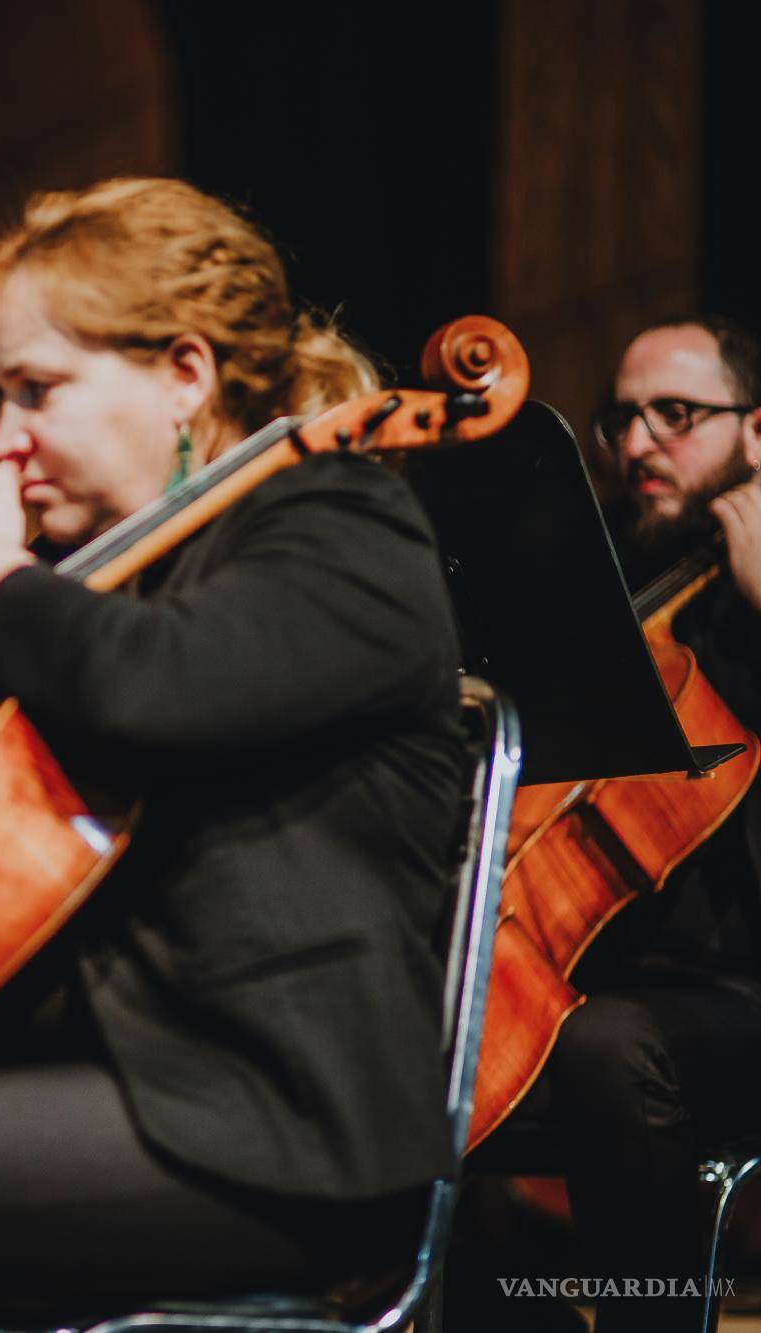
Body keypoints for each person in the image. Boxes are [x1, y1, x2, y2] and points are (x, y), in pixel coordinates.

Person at [0, 177, 466, 1332]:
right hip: (133, 1074)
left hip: (274, 1119)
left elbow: (149, 686)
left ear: (183, 374)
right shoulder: (131, 569)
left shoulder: (341, 527)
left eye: (35, 390)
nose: (1, 439)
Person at [450, 316, 761, 1333]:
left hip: (732, 994)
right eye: (617, 419)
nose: (635, 446)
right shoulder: (609, 597)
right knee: (427, 1047)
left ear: (754, 434)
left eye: (675, 415)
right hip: (594, 976)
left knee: (601, 1044)